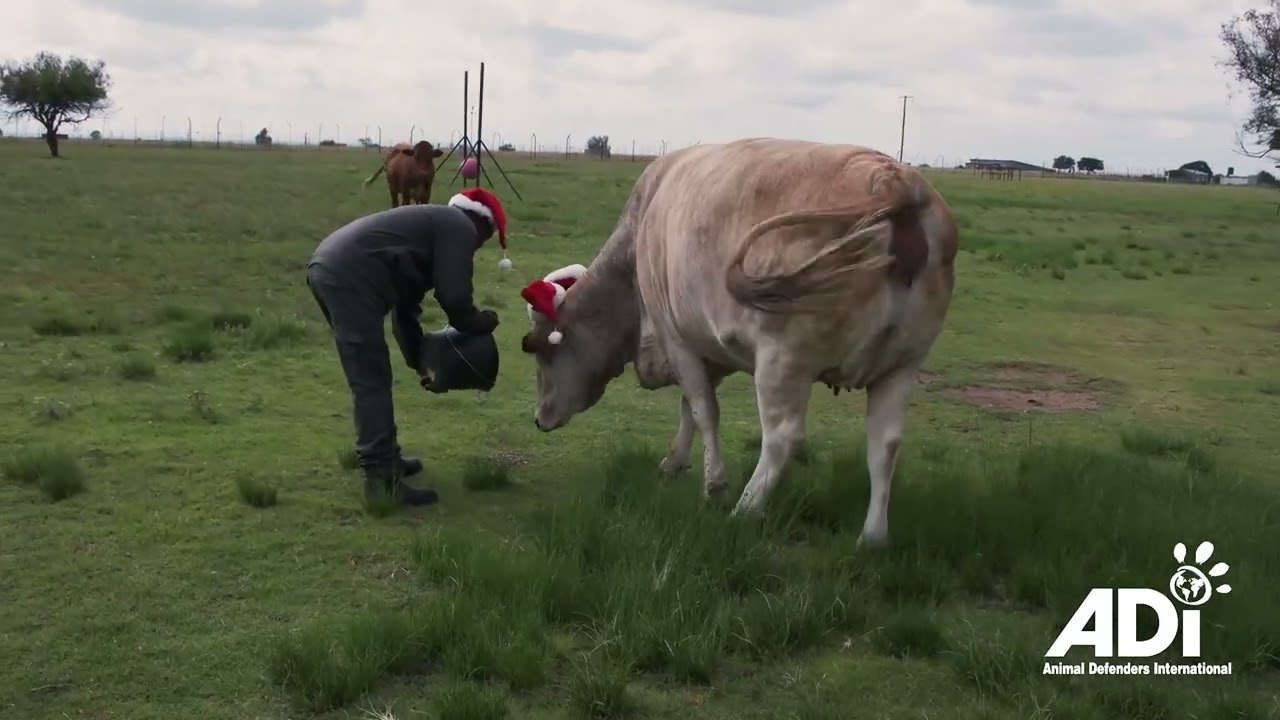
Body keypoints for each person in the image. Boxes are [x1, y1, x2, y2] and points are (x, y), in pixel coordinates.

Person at [305, 187, 509, 506]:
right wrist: (483, 321)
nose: (475, 247)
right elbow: (455, 301)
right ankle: (381, 479)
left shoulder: (429, 230)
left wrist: (424, 364)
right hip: (348, 276)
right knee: (371, 380)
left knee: (371, 375)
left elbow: (404, 312)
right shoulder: (459, 226)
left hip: (332, 266)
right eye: (484, 239)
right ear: (481, 225)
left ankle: (388, 460)